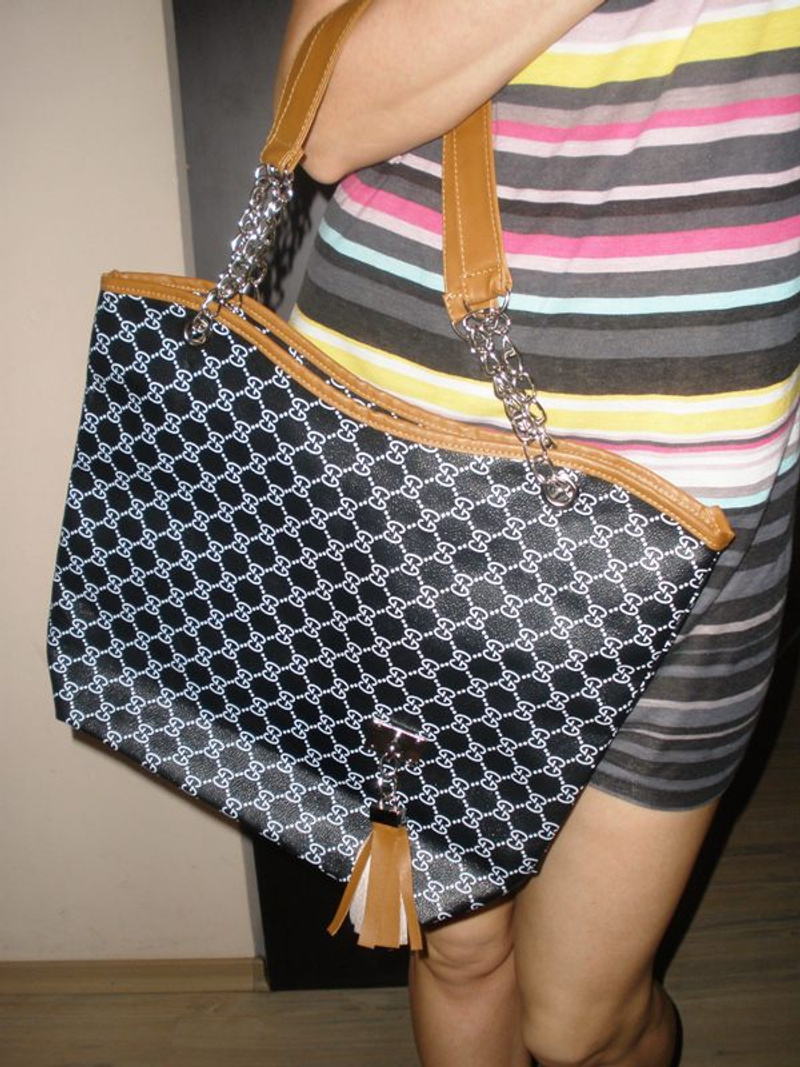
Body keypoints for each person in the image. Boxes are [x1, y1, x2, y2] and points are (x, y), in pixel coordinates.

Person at [276, 2, 800, 1065]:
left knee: (581, 1027)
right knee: (459, 949)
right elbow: (320, 119)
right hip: (396, 480)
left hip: (691, 496)